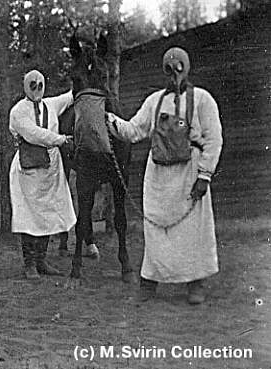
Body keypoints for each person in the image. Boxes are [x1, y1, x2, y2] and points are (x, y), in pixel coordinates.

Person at [107, 47, 223, 304]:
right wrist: (109, 120)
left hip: (189, 174)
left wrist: (204, 175)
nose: (173, 75)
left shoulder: (203, 99)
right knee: (156, 228)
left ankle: (196, 283)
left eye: (178, 68)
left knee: (193, 229)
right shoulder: (154, 101)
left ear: (187, 68)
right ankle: (150, 282)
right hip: (158, 176)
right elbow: (134, 130)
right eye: (168, 70)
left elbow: (214, 140)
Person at [9, 70, 76, 280]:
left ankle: (41, 260)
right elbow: (34, 134)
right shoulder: (18, 111)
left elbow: (72, 95)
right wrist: (61, 139)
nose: (37, 90)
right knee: (29, 214)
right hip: (28, 169)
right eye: (32, 86)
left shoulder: (51, 104)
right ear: (26, 87)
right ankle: (29, 264)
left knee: (47, 212)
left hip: (51, 168)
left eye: (40, 85)